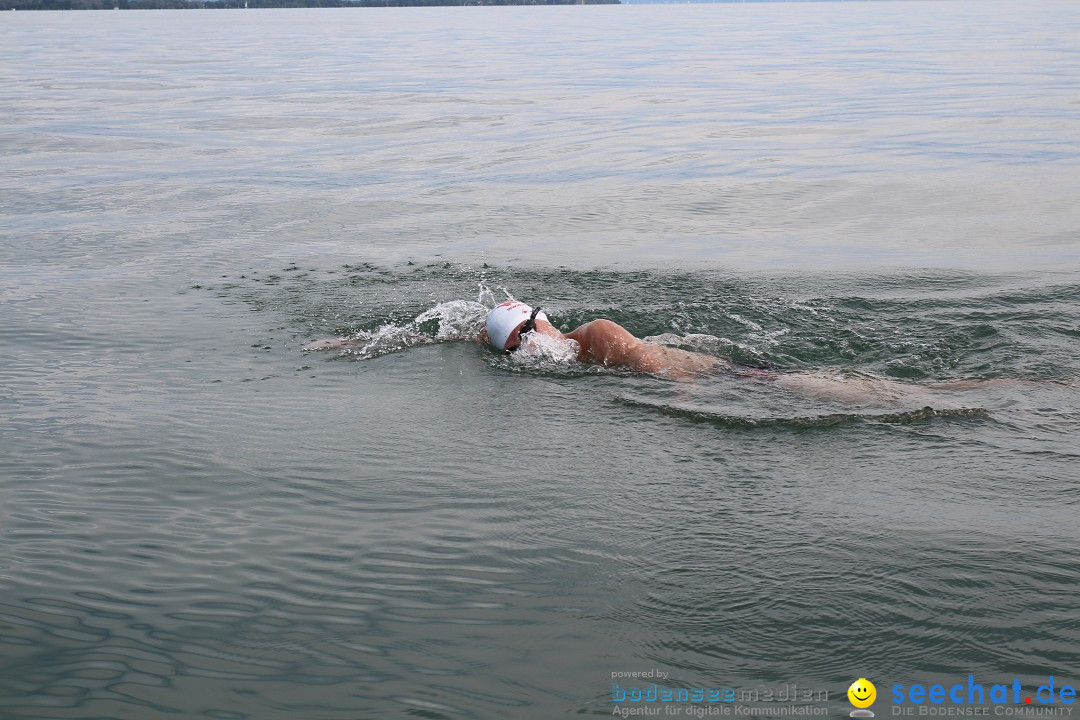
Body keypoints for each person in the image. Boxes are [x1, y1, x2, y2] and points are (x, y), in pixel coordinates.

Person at [481, 299, 759, 381]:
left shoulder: (597, 334)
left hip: (736, 374)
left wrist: (680, 402)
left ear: (544, 321)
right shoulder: (569, 360)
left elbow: (673, 374)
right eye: (514, 350)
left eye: (529, 332)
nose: (530, 347)